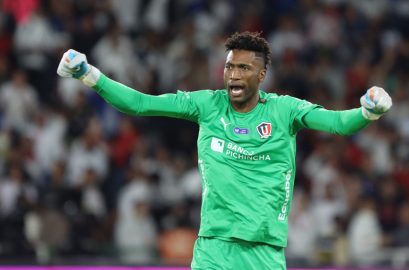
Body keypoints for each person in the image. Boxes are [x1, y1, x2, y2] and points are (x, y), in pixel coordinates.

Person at [57, 32, 392, 270]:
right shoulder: (207, 104)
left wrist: (367, 112)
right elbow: (140, 104)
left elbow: (337, 124)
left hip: (264, 252)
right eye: (230, 67)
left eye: (244, 68)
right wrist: (89, 74)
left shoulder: (284, 111)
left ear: (261, 75)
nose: (233, 74)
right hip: (213, 249)